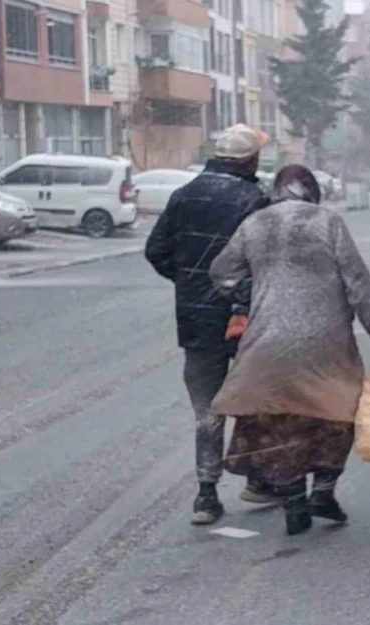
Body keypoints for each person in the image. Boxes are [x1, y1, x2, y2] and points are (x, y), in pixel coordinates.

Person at [208, 164, 370, 536]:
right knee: (337, 414)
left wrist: (248, 294)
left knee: (280, 422)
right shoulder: (328, 224)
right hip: (325, 342)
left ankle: (294, 500)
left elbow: (221, 271)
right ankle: (323, 492)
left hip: (267, 341)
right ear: (313, 191)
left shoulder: (254, 224)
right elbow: (357, 283)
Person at [144, 124, 273, 525]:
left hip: (197, 319)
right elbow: (263, 264)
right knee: (254, 400)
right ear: (250, 159)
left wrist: (188, 281)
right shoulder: (254, 200)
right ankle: (257, 479)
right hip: (245, 320)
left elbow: (156, 251)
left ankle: (206, 494)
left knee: (207, 409)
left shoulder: (182, 197)